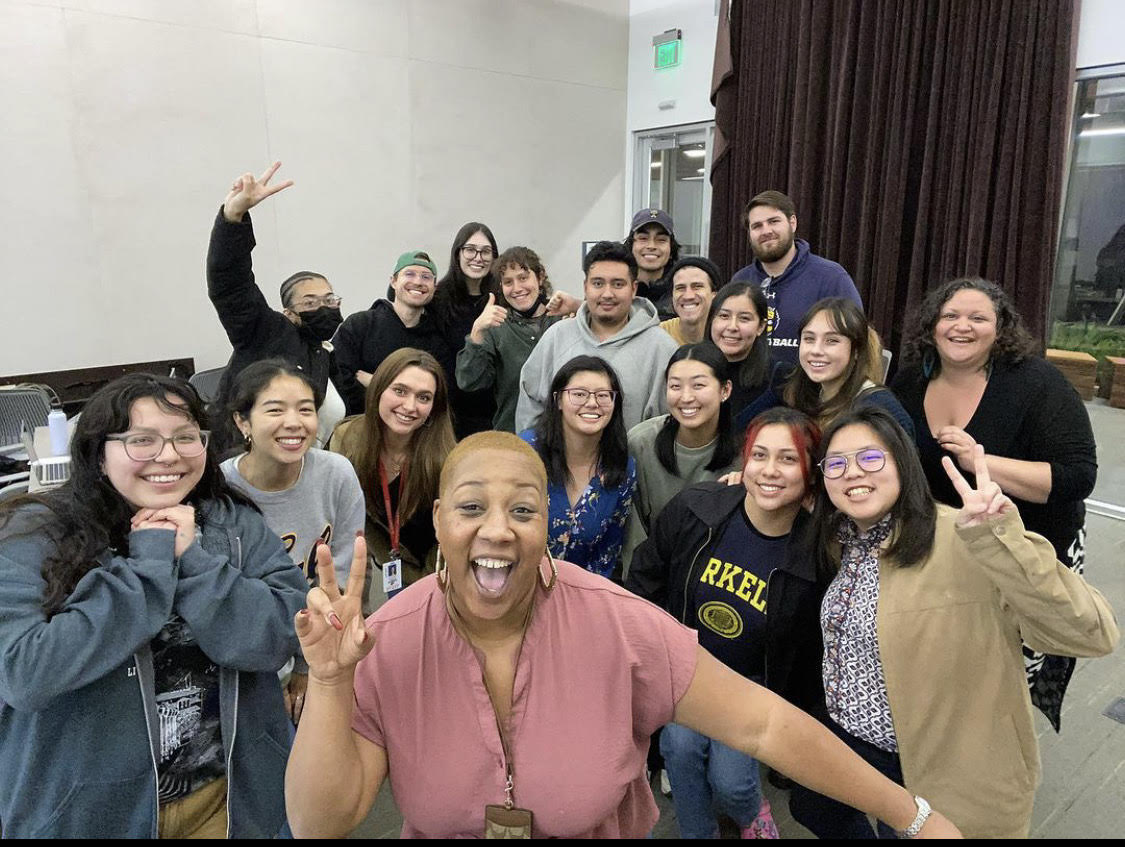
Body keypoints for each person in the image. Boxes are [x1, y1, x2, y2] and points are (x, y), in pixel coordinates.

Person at [283, 431, 961, 839]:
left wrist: (912, 815)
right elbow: (322, 822)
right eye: (470, 507)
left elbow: (763, 726)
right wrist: (332, 682)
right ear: (438, 518)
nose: (495, 529)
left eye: (522, 509)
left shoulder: (616, 623)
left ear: (546, 522)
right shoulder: (387, 640)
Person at [783, 406, 1117, 838]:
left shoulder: (965, 536)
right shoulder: (843, 537)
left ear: (902, 464)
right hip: (856, 744)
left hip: (936, 767)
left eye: (870, 458)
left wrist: (1001, 540)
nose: (852, 473)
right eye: (837, 463)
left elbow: (1091, 632)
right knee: (812, 804)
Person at [0, 373, 307, 838]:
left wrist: (198, 563)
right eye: (141, 440)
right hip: (90, 812)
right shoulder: (34, 535)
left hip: (226, 798)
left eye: (186, 437)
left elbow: (284, 633)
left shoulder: (231, 522)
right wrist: (148, 564)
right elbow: (26, 673)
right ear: (98, 455)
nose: (168, 455)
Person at [890, 277, 1099, 730]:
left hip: (1023, 556)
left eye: (978, 317)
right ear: (932, 325)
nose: (962, 326)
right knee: (942, 671)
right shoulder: (910, 378)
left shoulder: (1037, 383)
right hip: (943, 555)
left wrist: (981, 461)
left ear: (1000, 327)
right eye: (950, 316)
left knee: (998, 684)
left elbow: (1076, 477)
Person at [627, 407, 821, 839]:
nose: (770, 471)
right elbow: (647, 573)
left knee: (732, 786)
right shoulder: (699, 508)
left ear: (811, 472)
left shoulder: (815, 551)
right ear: (744, 461)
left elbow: (811, 649)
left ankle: (752, 813)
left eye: (788, 460)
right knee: (678, 751)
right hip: (688, 672)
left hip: (752, 687)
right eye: (760, 456)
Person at [220, 359, 366, 725]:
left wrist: (307, 667)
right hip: (243, 655)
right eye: (275, 410)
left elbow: (342, 574)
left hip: (319, 642)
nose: (294, 423)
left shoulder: (336, 473)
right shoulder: (219, 491)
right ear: (243, 421)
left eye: (306, 410)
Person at [205, 161, 346, 450]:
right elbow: (231, 285)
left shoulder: (323, 351)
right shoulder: (265, 331)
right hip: (240, 462)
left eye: (329, 299)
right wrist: (233, 217)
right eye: (310, 302)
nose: (324, 307)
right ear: (289, 314)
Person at [328, 348, 455, 612]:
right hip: (391, 563)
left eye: (423, 397)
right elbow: (354, 521)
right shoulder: (346, 439)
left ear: (434, 407)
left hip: (441, 573)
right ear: (379, 390)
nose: (410, 406)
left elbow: (450, 537)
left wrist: (422, 586)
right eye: (400, 391)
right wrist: (389, 561)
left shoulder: (447, 460)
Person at [516, 240, 678, 431]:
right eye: (598, 283)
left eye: (618, 284)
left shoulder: (661, 347)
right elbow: (531, 409)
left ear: (633, 289)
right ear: (585, 287)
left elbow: (667, 424)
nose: (607, 293)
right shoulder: (556, 337)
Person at [623, 343, 742, 572]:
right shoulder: (641, 443)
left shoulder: (744, 455)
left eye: (698, 385)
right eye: (675, 386)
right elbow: (631, 535)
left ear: (725, 390)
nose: (686, 397)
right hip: (647, 576)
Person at [519, 356, 636, 579]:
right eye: (579, 394)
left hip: (580, 595)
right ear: (558, 400)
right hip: (518, 587)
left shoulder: (622, 466)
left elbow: (606, 554)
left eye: (603, 395)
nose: (592, 403)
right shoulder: (525, 453)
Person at [730, 190, 861, 366]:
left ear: (792, 223)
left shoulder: (831, 278)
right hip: (751, 389)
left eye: (774, 221)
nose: (766, 231)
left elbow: (857, 340)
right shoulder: (741, 280)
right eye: (757, 226)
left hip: (810, 390)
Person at [331, 250, 455, 416]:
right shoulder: (360, 325)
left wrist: (377, 383)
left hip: (413, 431)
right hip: (360, 424)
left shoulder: (437, 341)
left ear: (434, 287)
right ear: (394, 281)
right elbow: (338, 376)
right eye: (409, 274)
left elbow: (439, 392)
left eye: (426, 277)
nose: (418, 282)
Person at [455, 246, 563, 432]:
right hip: (512, 437)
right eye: (508, 282)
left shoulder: (563, 321)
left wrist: (579, 308)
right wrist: (477, 331)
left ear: (540, 277)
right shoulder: (497, 328)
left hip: (563, 440)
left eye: (523, 278)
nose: (517, 288)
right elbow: (469, 382)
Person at [772, 298, 913, 437]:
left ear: (856, 349)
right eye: (809, 339)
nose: (816, 350)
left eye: (831, 341)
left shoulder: (880, 408)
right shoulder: (800, 395)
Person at [431, 222, 501, 438]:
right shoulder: (437, 299)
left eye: (486, 251)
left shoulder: (502, 297)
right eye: (470, 249)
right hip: (447, 415)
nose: (478, 257)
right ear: (458, 253)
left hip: (494, 414)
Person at [706, 281, 775, 423]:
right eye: (724, 316)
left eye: (744, 318)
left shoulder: (778, 379)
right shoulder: (691, 367)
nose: (732, 327)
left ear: (761, 327)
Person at [626, 207, 681, 319]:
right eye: (643, 238)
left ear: (671, 249)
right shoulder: (618, 287)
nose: (651, 246)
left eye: (661, 240)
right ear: (631, 245)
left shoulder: (681, 291)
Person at [661, 256, 722, 345]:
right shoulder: (658, 336)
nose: (688, 296)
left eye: (697, 287)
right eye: (680, 288)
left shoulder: (726, 337)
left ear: (714, 295)